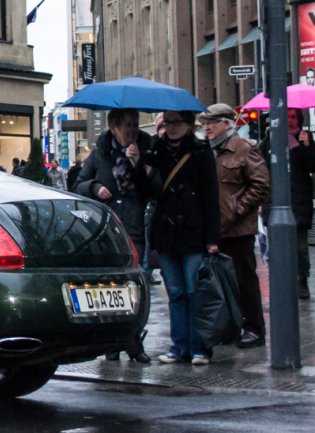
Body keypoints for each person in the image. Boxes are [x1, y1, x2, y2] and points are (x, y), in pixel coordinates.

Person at [72, 107, 157, 362]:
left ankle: (133, 343)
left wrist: (137, 163)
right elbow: (78, 184)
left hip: (134, 226)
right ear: (114, 128)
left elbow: (153, 190)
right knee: (109, 286)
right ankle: (111, 343)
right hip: (107, 227)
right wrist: (95, 188)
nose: (132, 130)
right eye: (127, 125)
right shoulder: (100, 154)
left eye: (135, 125)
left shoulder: (147, 150)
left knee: (134, 286)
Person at [148, 109, 220, 365]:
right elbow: (148, 190)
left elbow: (211, 195)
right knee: (176, 292)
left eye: (176, 122)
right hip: (166, 232)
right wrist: (137, 164)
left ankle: (200, 347)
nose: (171, 127)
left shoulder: (201, 151)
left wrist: (213, 237)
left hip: (193, 232)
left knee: (194, 291)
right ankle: (179, 346)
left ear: (189, 124)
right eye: (167, 122)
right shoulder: (156, 151)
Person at [201, 104, 269, 349]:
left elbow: (261, 185)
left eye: (212, 121)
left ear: (227, 123)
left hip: (238, 229)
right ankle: (230, 327)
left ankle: (254, 329)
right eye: (204, 122)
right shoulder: (208, 151)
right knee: (221, 284)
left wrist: (237, 210)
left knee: (245, 281)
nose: (206, 127)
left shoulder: (244, 148)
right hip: (214, 229)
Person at [260, 109, 314, 301]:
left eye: (293, 117)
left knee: (300, 246)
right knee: (277, 245)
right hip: (274, 199)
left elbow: (312, 167)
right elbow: (261, 170)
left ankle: (301, 279)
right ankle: (282, 280)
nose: (290, 121)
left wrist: (306, 147)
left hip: (299, 199)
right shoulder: (269, 140)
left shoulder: (305, 139)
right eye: (287, 116)